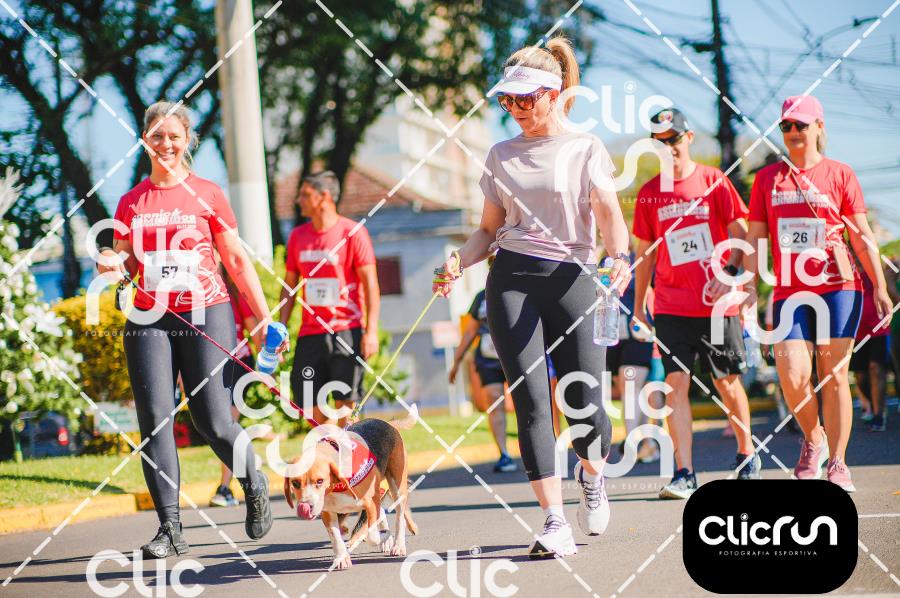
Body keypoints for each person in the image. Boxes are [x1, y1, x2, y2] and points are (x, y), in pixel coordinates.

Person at [433, 36, 631, 558]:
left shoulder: (585, 147)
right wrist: (457, 261)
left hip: (574, 278)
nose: (515, 108)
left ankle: (592, 474)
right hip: (512, 278)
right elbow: (487, 230)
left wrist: (620, 256)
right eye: (507, 100)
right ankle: (553, 520)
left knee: (585, 402)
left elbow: (608, 213)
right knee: (531, 399)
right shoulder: (500, 155)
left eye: (525, 98)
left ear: (553, 93)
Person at [96, 101, 282, 558]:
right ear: (145, 141)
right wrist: (109, 261)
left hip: (206, 311)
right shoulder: (132, 201)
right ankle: (170, 528)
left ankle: (252, 481)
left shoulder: (207, 193)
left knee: (212, 420)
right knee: (155, 421)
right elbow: (123, 258)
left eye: (174, 136)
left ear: (187, 141)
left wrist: (263, 318)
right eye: (157, 136)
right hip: (149, 317)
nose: (166, 144)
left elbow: (235, 259)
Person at [744, 95, 892, 492]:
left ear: (819, 127)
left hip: (838, 286)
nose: (793, 132)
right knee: (792, 374)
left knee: (834, 374)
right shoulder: (767, 179)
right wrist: (748, 288)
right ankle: (814, 438)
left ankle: (839, 463)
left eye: (801, 125)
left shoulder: (840, 174)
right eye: (786, 126)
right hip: (789, 290)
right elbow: (755, 239)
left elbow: (861, 236)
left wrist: (879, 286)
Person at [631, 107, 761, 500]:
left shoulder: (713, 181)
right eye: (659, 142)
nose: (668, 147)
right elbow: (645, 254)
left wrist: (734, 274)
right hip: (671, 305)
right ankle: (684, 473)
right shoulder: (649, 193)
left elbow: (743, 234)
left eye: (673, 139)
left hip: (716, 305)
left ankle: (747, 454)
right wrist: (639, 306)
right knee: (675, 384)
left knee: (727, 382)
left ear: (688, 138)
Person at [279, 171, 380, 429]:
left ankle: (350, 453)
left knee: (346, 408)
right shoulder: (298, 236)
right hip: (310, 333)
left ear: (324, 196)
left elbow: (370, 285)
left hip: (346, 330)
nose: (299, 200)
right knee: (310, 406)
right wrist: (281, 327)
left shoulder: (352, 232)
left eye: (305, 195)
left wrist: (371, 331)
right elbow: (290, 287)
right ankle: (328, 450)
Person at [449, 257, 517, 473]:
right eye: (492, 264)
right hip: (488, 360)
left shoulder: (520, 290)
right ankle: (504, 453)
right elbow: (470, 332)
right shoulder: (481, 297)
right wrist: (456, 362)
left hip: (517, 357)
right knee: (495, 402)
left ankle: (535, 450)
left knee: (526, 402)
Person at [210, 270, 263, 507]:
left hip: (238, 364)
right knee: (215, 427)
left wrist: (268, 361)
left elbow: (254, 330)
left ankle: (225, 487)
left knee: (227, 424)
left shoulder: (235, 293)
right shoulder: (197, 292)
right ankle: (248, 465)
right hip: (209, 365)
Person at [606, 247, 655, 460]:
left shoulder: (640, 259)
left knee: (630, 384)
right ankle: (646, 443)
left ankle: (632, 441)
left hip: (638, 330)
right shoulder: (599, 260)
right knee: (629, 389)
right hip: (612, 332)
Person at [850, 269, 890, 432]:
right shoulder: (846, 268)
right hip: (855, 332)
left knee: (876, 368)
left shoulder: (874, 269)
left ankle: (879, 415)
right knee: (860, 377)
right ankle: (875, 406)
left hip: (879, 328)